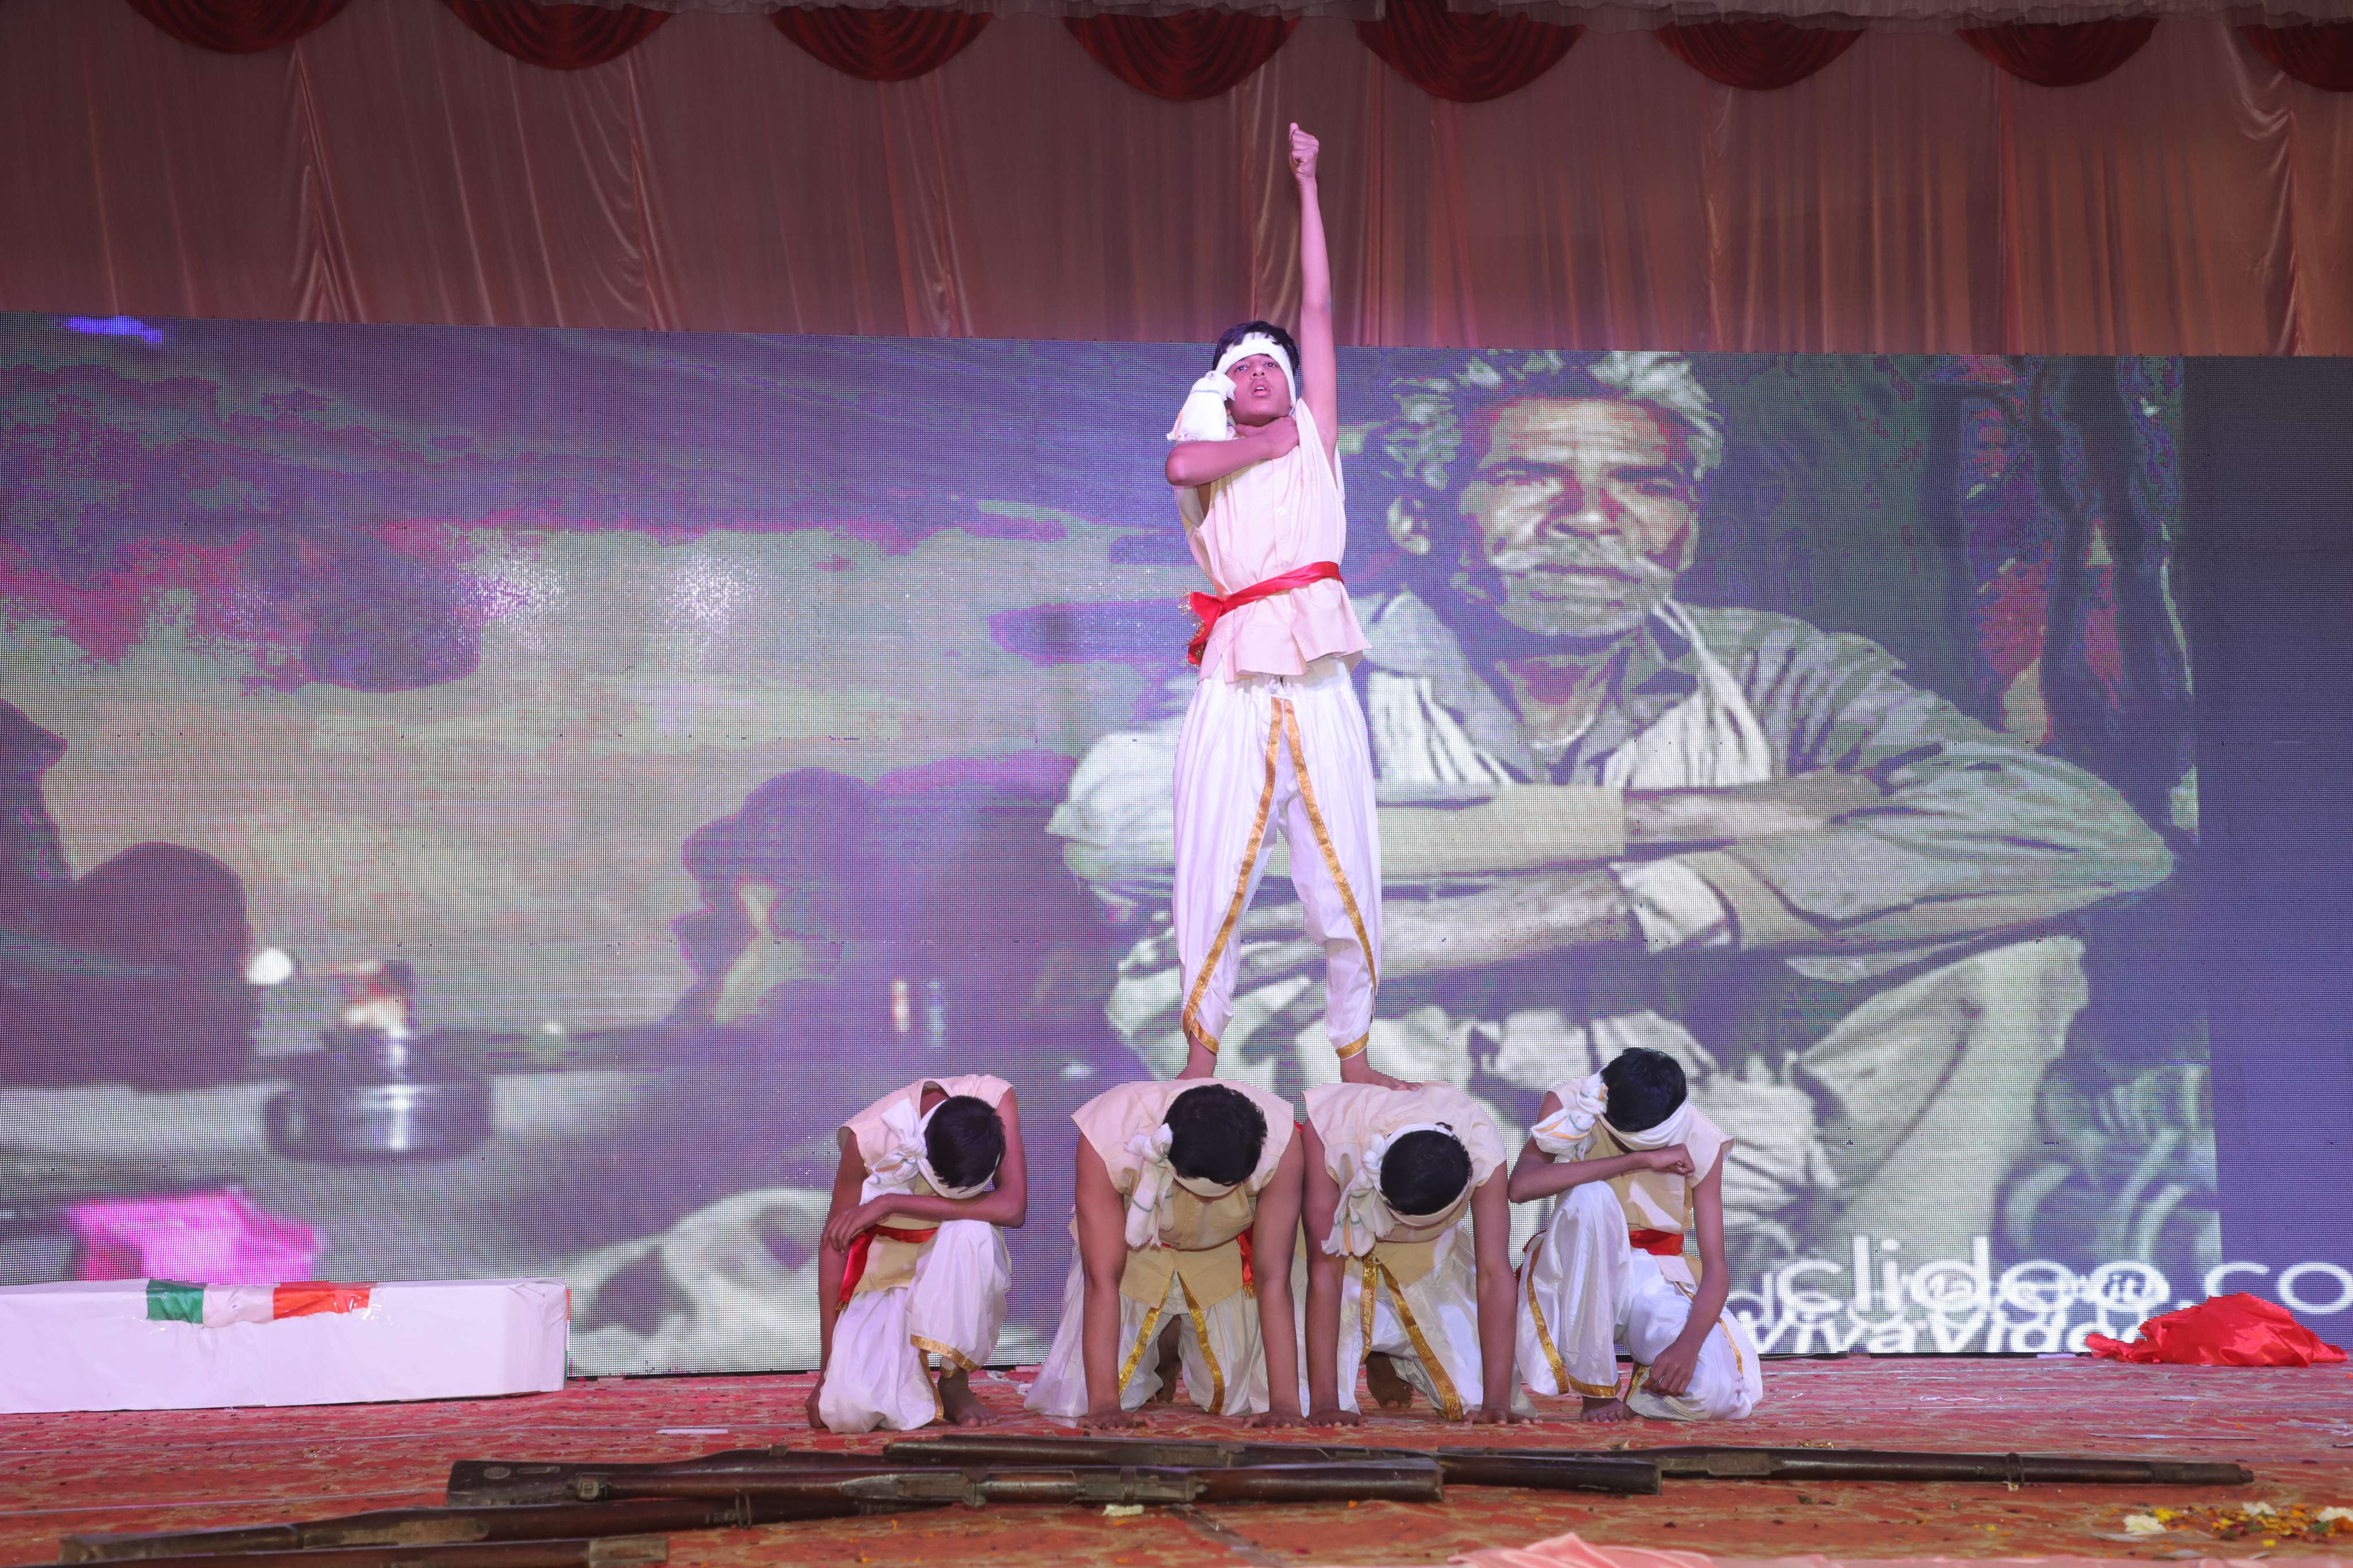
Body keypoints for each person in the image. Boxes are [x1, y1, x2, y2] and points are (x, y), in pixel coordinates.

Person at [1051, 349, 2175, 1269]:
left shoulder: (1785, 674)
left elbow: (2091, 834)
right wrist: (1668, 817)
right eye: (1531, 476)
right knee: (1275, 989)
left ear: (1687, 524)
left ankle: (1881, 1347)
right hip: (1413, 1159)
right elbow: (1124, 824)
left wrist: (1576, 909)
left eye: (1644, 485)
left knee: (2012, 972)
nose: (1592, 518)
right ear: (1419, 512)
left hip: (1724, 1130)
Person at [1159, 123, 1397, 1091]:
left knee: (1346, 865)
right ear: (1218, 391)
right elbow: (1180, 460)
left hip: (1320, 675)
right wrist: (1252, 436)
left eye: (1273, 365)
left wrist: (1307, 182)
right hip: (1236, 681)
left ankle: (1356, 1057)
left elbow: (1320, 305)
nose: (1260, 372)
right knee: (1214, 862)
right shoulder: (1213, 460)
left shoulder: (1314, 441)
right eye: (1240, 367)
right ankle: (1199, 1058)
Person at [1025, 1079, 1305, 1426]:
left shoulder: (1281, 1143)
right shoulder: (1109, 1134)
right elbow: (1102, 1279)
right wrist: (1104, 1407)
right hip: (1136, 1249)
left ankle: (1173, 1340)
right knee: (1081, 1400)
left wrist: (1284, 1405)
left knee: (1239, 1399)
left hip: (1224, 1251)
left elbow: (1274, 1277)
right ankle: (1160, 1347)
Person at [1512, 1047, 1760, 1423]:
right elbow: (1521, 1187)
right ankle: (1596, 1392)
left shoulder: (1701, 1136)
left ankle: (1643, 1395)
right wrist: (1639, 1160)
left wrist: (1687, 1347)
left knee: (1717, 1395)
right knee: (1591, 1197)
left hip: (1656, 1273)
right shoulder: (1572, 1102)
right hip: (1576, 1269)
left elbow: (1716, 1268)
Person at [809, 1075, 1026, 1431]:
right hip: (889, 1270)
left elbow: (1012, 1207)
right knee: (848, 1411)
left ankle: (955, 1383)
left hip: (954, 1261)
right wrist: (827, 1372)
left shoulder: (993, 1099)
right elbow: (834, 1246)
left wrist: (890, 1202)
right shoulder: (869, 1138)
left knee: (971, 1231)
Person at [1298, 1080, 1520, 1424]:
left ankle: (1386, 1352)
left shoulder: (1481, 1144)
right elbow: (1325, 1268)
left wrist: (1497, 1402)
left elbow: (1494, 1272)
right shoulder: (1333, 1131)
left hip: (1430, 1262)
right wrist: (1324, 1403)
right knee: (1298, 1400)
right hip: (1344, 1259)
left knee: (1474, 1397)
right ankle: (1373, 1355)